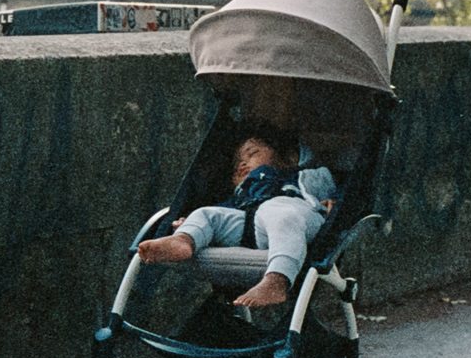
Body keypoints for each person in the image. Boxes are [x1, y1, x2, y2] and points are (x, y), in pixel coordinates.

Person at [136, 126, 333, 308]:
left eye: (253, 153)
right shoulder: (242, 194)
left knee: (280, 212)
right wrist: (189, 224)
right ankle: (183, 241)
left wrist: (333, 202)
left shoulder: (300, 177)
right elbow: (221, 216)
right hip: (251, 225)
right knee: (207, 214)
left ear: (286, 157)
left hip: (296, 220)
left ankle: (277, 280)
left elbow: (333, 186)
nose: (243, 163)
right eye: (239, 162)